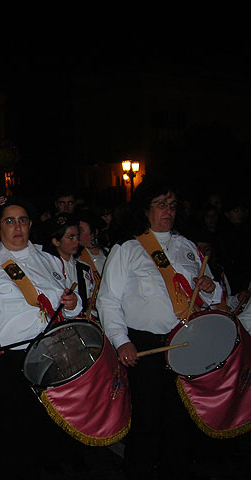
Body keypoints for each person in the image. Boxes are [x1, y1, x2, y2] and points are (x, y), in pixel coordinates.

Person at [96, 179, 222, 480]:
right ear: (145, 209)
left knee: (180, 419)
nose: (168, 211)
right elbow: (108, 301)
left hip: (186, 342)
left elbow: (214, 295)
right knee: (147, 420)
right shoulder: (127, 249)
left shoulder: (187, 247)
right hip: (145, 345)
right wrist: (121, 341)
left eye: (173, 205)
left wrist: (209, 288)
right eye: (161, 204)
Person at [0, 196, 80, 480]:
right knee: (3, 444)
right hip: (4, 363)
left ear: (31, 225)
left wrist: (73, 304)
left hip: (45, 361)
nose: (17, 227)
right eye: (9, 221)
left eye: (22, 220)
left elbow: (68, 302)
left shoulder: (49, 261)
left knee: (38, 439)